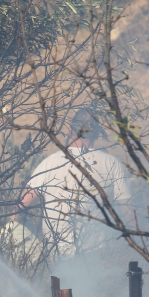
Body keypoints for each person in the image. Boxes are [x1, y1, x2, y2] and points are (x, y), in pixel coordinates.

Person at [18, 109, 133, 257]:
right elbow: (129, 213)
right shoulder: (111, 163)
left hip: (56, 254)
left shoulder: (49, 163)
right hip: (99, 256)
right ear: (98, 134)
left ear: (70, 131)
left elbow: (21, 206)